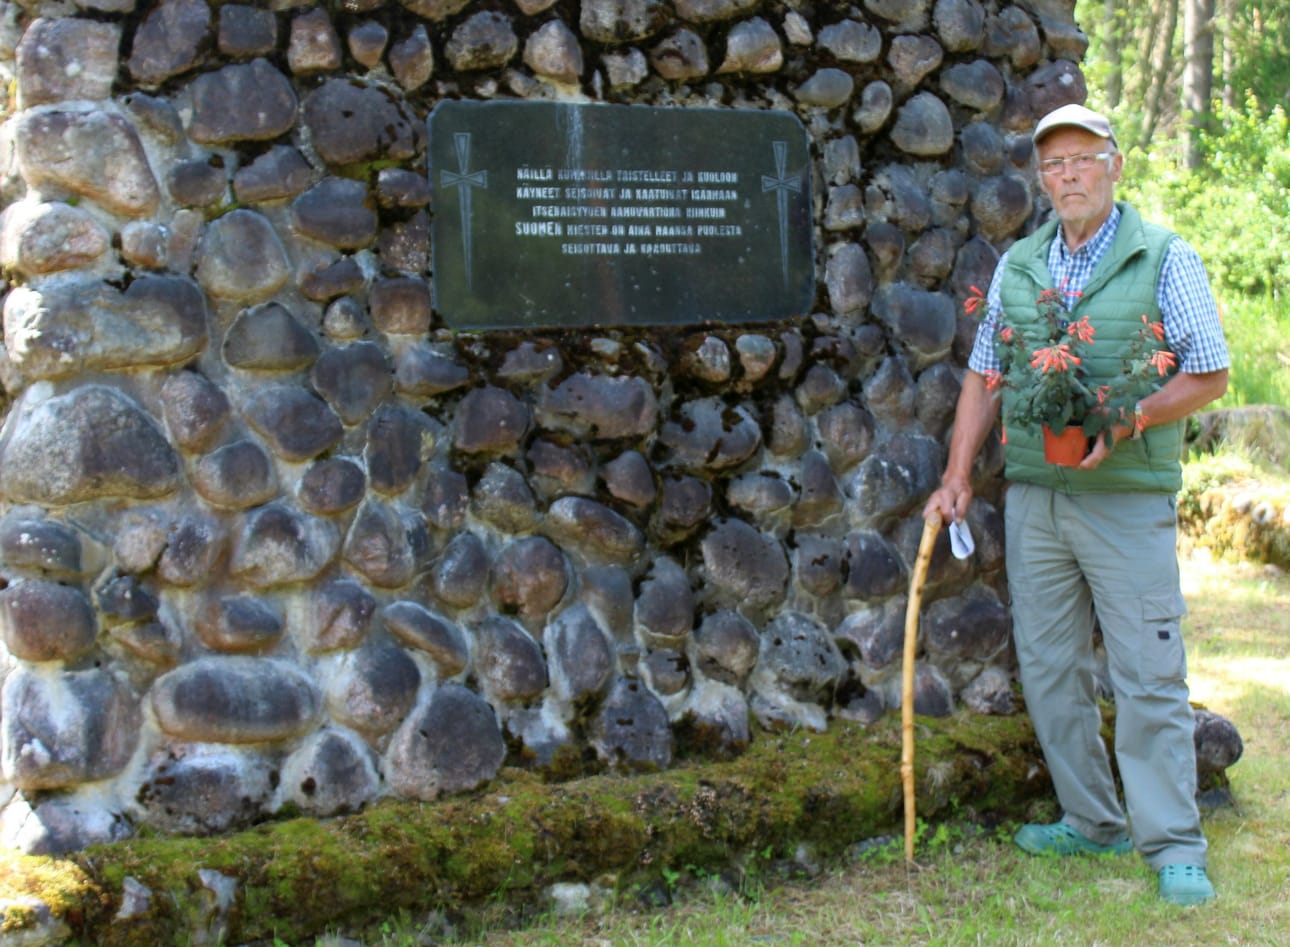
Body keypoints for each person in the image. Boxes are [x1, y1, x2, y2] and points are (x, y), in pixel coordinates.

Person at [923, 103, 1229, 906]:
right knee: (1052, 669)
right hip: (1036, 499)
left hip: (1126, 500)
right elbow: (985, 375)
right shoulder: (1021, 265)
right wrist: (958, 475)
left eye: (1082, 158)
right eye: (1053, 164)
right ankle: (1092, 821)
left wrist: (1132, 415)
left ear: (1114, 164)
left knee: (1147, 673)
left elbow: (1211, 372)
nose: (1067, 175)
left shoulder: (1164, 256)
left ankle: (1173, 847)